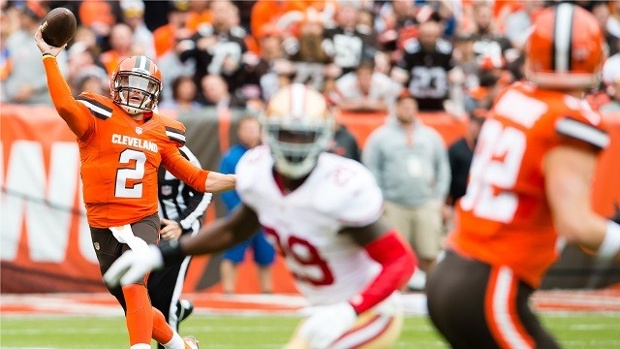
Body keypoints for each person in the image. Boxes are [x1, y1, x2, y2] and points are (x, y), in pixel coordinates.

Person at [104, 83, 418, 349]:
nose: (295, 146)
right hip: (325, 310)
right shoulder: (257, 171)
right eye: (287, 134)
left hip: (369, 310)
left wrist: (351, 309)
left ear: (324, 136)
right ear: (268, 131)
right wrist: (162, 256)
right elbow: (233, 230)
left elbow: (401, 261)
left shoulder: (342, 185)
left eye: (304, 136)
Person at [426, 4, 619, 348]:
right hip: (491, 282)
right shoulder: (571, 120)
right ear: (595, 56)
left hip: (452, 268)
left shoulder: (512, 97)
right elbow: (575, 223)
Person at [35, 25, 236, 349]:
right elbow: (65, 106)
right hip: (102, 223)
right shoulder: (98, 115)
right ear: (116, 86)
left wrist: (243, 181)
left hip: (142, 220)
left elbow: (199, 179)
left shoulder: (161, 131)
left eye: (143, 88)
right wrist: (49, 57)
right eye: (129, 85)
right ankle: (181, 346)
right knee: (135, 304)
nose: (135, 93)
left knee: (133, 283)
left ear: (155, 93)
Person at [363, 92, 451, 291]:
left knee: (430, 252)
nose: (407, 110)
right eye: (403, 106)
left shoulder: (431, 136)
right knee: (397, 255)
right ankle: (397, 295)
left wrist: (438, 198)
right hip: (394, 203)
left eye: (411, 106)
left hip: (425, 201)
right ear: (396, 108)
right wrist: (380, 199)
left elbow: (442, 169)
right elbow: (371, 168)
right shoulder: (380, 137)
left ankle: (433, 293)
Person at [149, 145, 212, 349]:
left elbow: (205, 189)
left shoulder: (179, 153)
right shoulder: (132, 147)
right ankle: (179, 308)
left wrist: (182, 224)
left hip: (180, 230)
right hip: (152, 231)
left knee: (165, 297)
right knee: (147, 295)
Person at [219, 115, 275, 295]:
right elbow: (225, 185)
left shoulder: (268, 155)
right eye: (247, 130)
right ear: (239, 132)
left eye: (254, 129)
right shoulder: (232, 156)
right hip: (241, 213)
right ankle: (228, 291)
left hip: (264, 213)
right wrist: (238, 209)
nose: (251, 134)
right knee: (232, 253)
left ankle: (267, 292)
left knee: (266, 256)